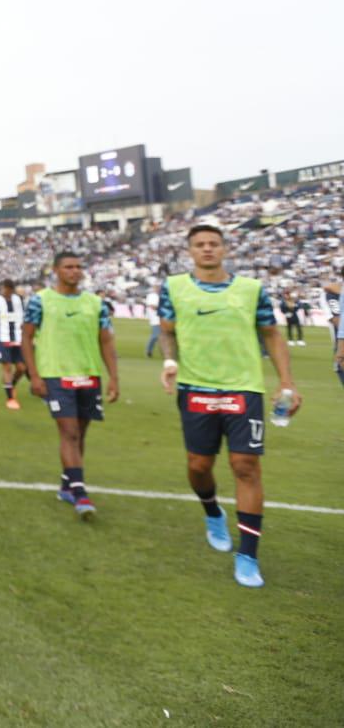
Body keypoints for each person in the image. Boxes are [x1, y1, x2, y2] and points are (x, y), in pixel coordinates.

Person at [159, 223, 301, 588]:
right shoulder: (173, 287)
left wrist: (286, 382)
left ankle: (248, 555)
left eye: (214, 244)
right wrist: (169, 361)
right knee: (199, 466)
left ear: (224, 249)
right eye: (200, 244)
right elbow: (167, 330)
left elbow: (271, 334)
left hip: (244, 389)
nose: (207, 249)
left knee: (245, 466)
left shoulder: (252, 289)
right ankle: (212, 512)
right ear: (190, 251)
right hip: (195, 389)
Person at [24, 252, 120, 520]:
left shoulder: (96, 303)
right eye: (68, 267)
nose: (74, 271)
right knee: (69, 433)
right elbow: (27, 338)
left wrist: (114, 377)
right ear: (56, 270)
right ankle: (80, 493)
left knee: (80, 434)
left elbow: (106, 341)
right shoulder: (40, 301)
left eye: (78, 266)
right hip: (56, 375)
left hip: (89, 374)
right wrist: (34, 375)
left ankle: (67, 485)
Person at [0, 280, 28, 410]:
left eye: (10, 290)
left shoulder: (18, 299)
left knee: (22, 368)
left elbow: (24, 316)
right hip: (2, 338)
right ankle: (10, 398)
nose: (7, 292)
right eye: (5, 289)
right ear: (2, 288)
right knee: (7, 368)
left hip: (18, 338)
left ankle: (12, 385)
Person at [145, 291, 162, 358]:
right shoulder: (152, 295)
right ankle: (149, 350)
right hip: (156, 319)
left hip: (163, 319)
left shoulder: (162, 295)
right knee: (155, 336)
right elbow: (152, 306)